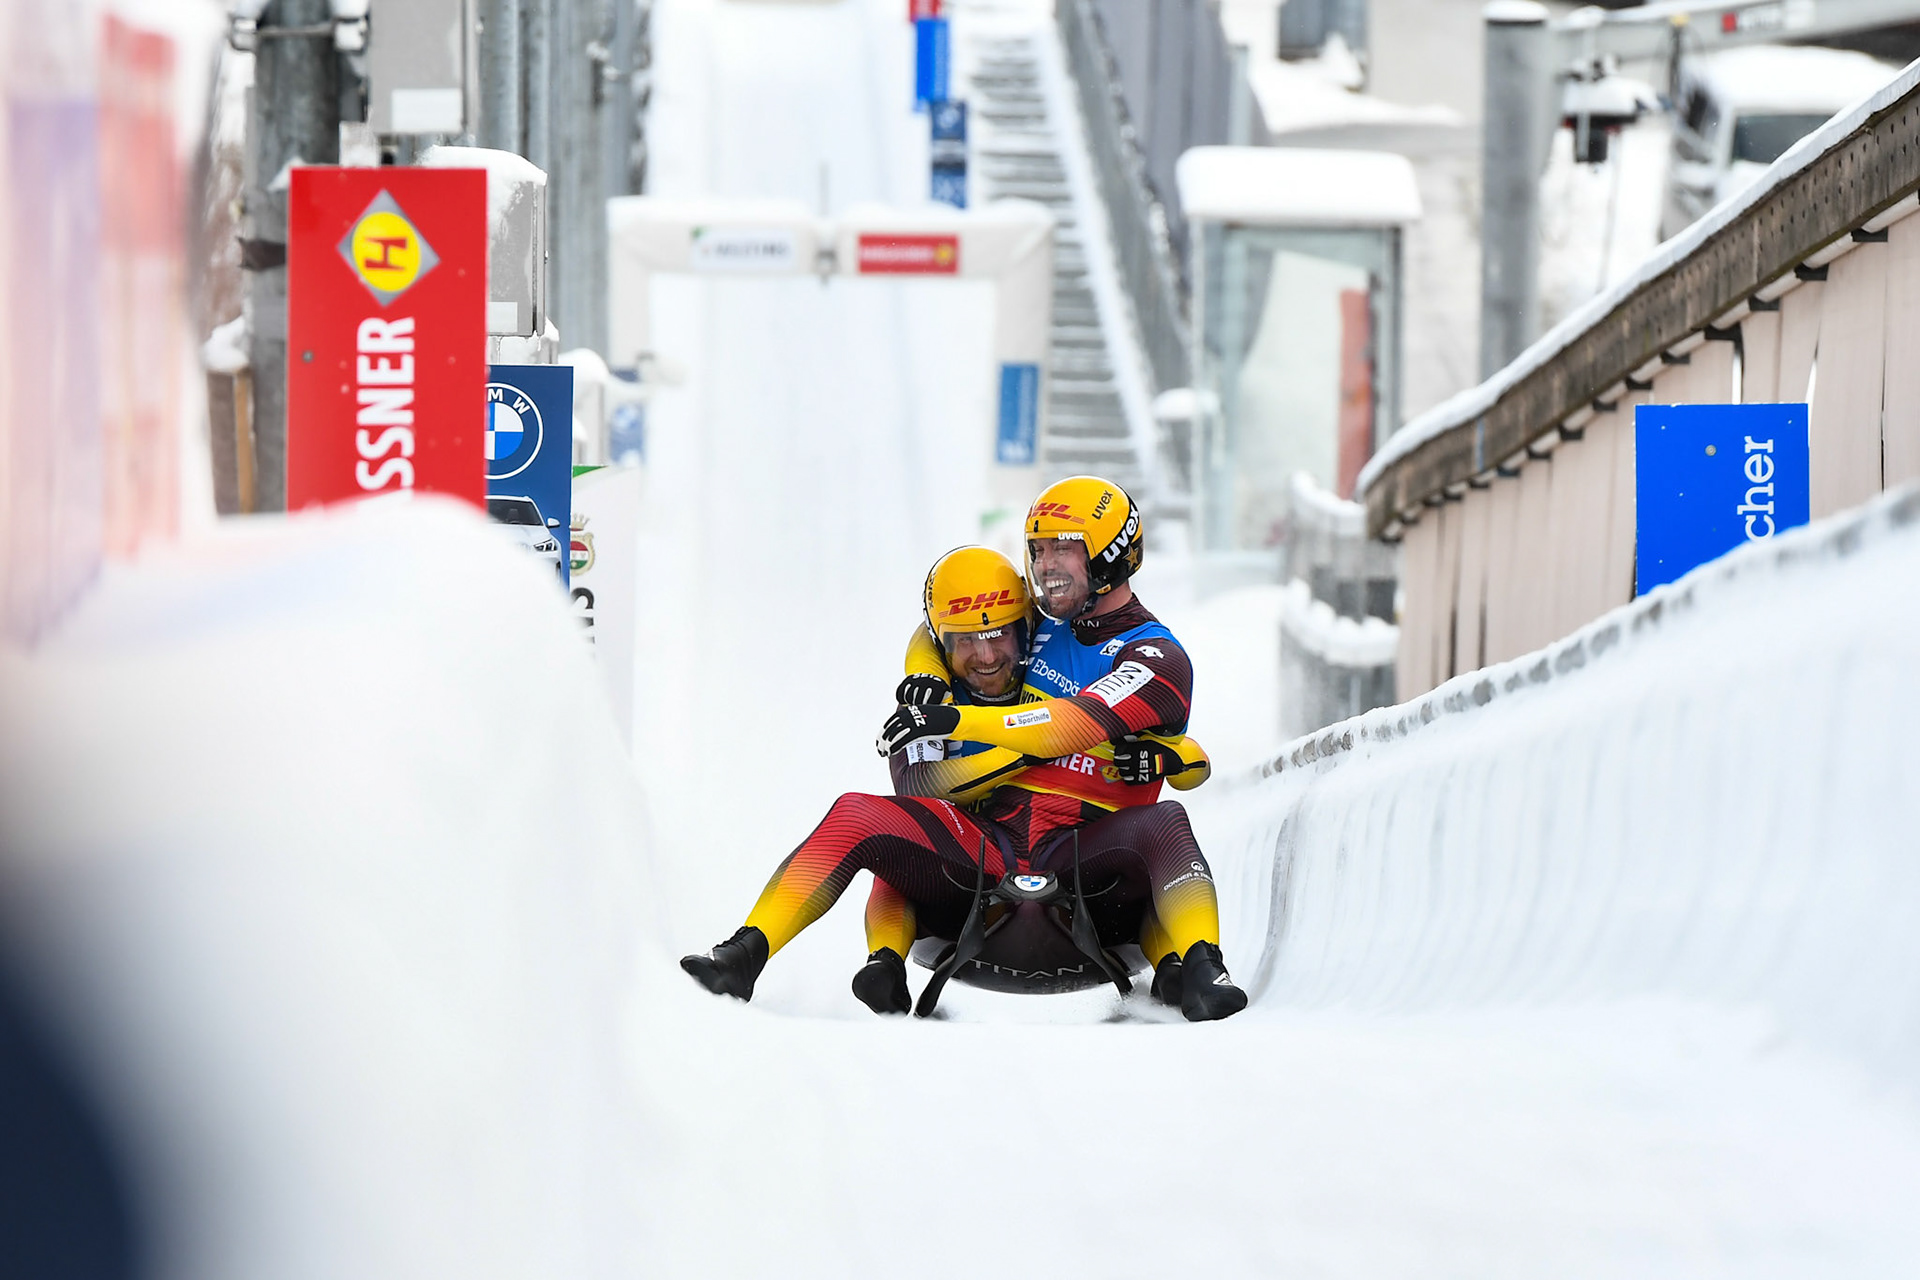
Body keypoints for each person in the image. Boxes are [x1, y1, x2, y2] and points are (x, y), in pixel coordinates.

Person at [680, 541, 1223, 1017]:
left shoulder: (1064, 639)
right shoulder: (924, 699)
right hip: (986, 851)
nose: (985, 657)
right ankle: (744, 954)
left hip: (1086, 852)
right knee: (861, 816)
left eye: (998, 638)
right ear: (943, 643)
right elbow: (921, 789)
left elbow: (1184, 754)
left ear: (1026, 628)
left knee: (1166, 819)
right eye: (964, 641)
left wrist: (1163, 757)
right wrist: (952, 699)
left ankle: (1204, 969)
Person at [876, 475, 1248, 1020]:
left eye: (1064, 548)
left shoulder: (1156, 655)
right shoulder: (1041, 622)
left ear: (1108, 555)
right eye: (1037, 549)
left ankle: (1198, 964)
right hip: (996, 838)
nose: (1046, 564)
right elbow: (937, 626)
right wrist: (926, 673)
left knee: (1168, 820)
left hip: (1097, 858)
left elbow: (1074, 725)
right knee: (907, 821)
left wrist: (954, 718)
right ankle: (879, 959)